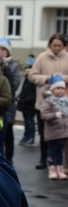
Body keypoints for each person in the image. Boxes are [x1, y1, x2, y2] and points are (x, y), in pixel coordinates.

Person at [28, 33, 68, 170]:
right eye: (54, 45)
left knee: (63, 133)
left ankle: (60, 162)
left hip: (63, 102)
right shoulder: (42, 57)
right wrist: (47, 78)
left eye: (60, 46)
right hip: (45, 100)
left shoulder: (66, 57)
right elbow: (32, 76)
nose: (56, 48)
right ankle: (43, 159)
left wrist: (62, 78)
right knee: (44, 132)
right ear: (50, 45)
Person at [40, 74, 68, 180]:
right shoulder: (48, 101)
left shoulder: (66, 101)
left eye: (62, 88)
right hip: (52, 133)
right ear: (52, 90)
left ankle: (60, 169)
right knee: (52, 151)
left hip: (63, 132)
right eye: (57, 88)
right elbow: (44, 115)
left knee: (60, 152)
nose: (60, 91)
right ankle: (52, 169)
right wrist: (54, 115)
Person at [0, 37, 20, 161]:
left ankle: (9, 158)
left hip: (8, 104)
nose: (1, 52)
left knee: (8, 131)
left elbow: (15, 84)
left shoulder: (13, 65)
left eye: (3, 49)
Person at [17, 55, 37, 146]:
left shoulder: (33, 79)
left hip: (30, 105)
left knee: (30, 121)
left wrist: (24, 100)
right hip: (25, 104)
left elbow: (34, 94)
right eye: (26, 68)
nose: (27, 70)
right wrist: (19, 96)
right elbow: (24, 90)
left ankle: (30, 137)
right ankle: (26, 136)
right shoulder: (26, 78)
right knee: (27, 121)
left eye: (29, 68)